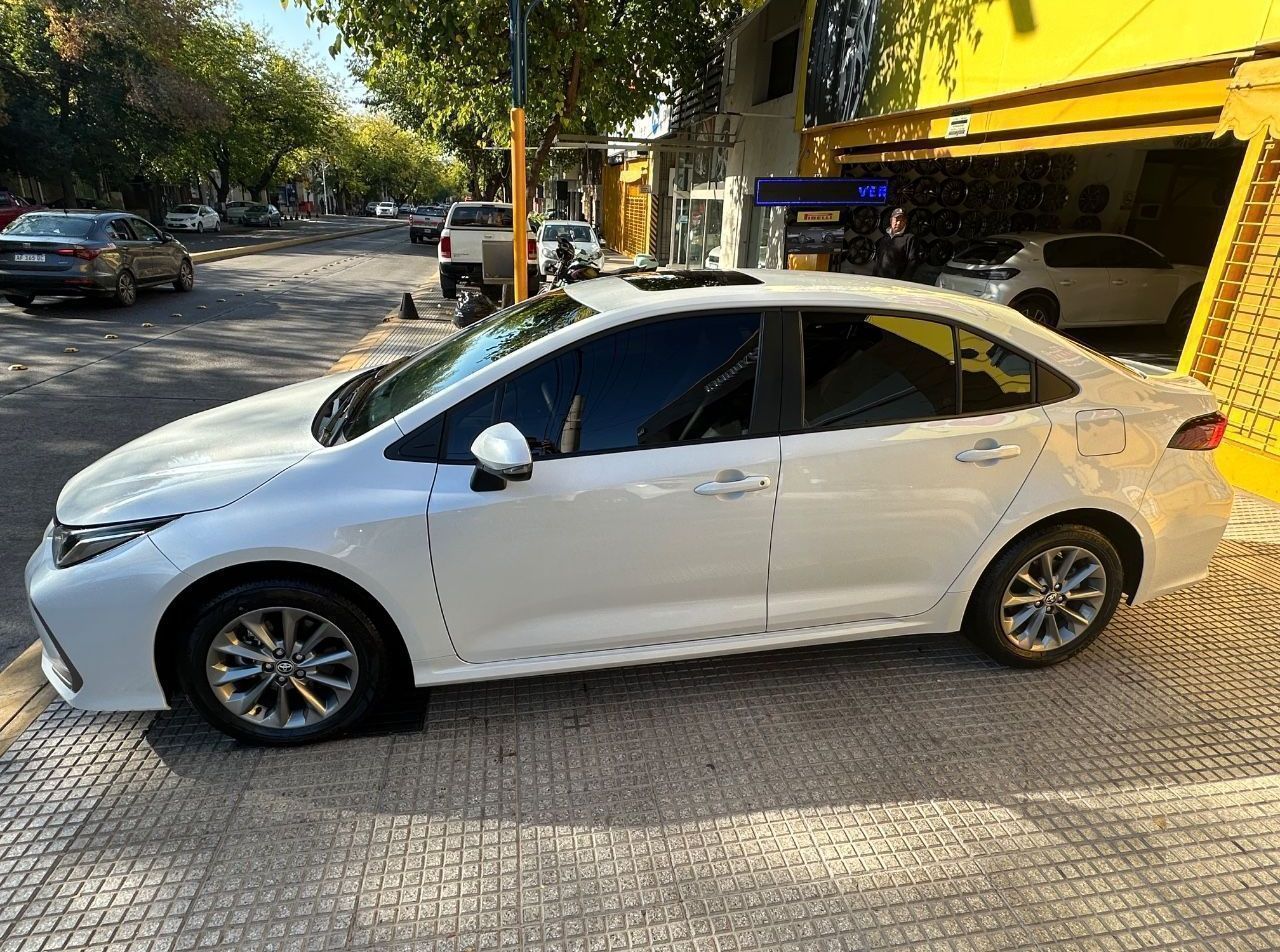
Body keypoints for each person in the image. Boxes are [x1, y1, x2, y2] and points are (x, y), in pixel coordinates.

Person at [873, 207, 918, 280]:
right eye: (896, 220)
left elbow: (912, 262)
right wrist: (874, 276)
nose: (899, 223)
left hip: (896, 281)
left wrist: (904, 280)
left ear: (905, 221)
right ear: (891, 220)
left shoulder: (909, 238)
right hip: (879, 279)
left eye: (902, 220)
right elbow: (878, 259)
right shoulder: (885, 237)